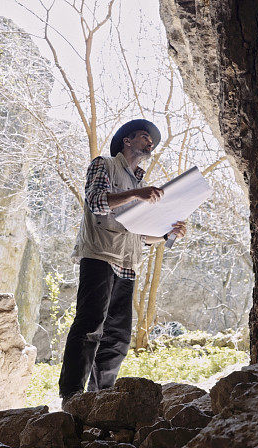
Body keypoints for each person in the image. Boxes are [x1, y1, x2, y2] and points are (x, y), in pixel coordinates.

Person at [59, 119, 186, 403]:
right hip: (101, 255)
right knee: (90, 325)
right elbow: (96, 202)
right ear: (127, 141)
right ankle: (72, 396)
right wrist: (136, 194)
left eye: (151, 140)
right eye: (144, 137)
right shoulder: (103, 164)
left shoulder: (140, 182)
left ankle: (101, 398)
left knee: (117, 337)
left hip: (128, 264)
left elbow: (140, 236)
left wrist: (166, 234)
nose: (150, 143)